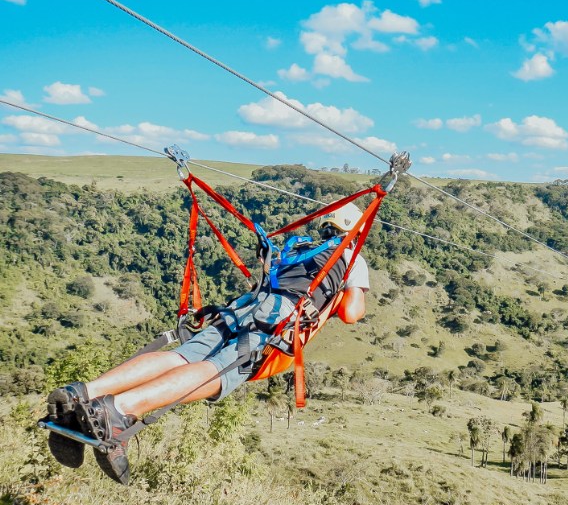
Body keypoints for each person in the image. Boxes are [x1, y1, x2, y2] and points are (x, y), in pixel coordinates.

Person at [45, 203, 370, 484]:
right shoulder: (352, 256)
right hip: (277, 318)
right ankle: (116, 412)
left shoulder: (300, 248)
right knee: (219, 372)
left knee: (182, 357)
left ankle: (82, 394)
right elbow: (353, 312)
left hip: (244, 305)